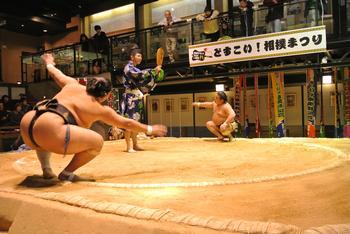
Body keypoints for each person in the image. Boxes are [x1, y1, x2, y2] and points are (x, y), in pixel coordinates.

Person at [20, 53, 167, 182]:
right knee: (97, 141)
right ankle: (67, 173)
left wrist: (49, 62)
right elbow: (126, 123)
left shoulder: (72, 84)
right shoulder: (100, 109)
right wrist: (150, 128)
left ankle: (46, 168)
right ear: (106, 95)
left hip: (28, 124)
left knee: (46, 126)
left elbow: (54, 73)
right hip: (52, 131)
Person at [121, 48, 163, 153]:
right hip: (130, 97)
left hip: (136, 96)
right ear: (132, 57)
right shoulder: (128, 68)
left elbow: (143, 81)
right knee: (129, 123)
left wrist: (155, 74)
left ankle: (135, 145)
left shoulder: (135, 68)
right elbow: (139, 75)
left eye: (141, 56)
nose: (140, 58)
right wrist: (153, 71)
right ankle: (128, 147)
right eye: (138, 55)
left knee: (136, 122)